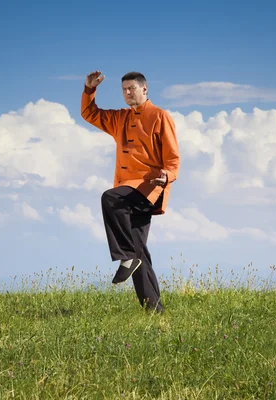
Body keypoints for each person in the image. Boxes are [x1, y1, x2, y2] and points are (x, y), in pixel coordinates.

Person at [81, 70, 180, 313]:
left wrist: (168, 175)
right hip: (127, 190)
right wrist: (89, 89)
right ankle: (154, 310)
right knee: (139, 251)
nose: (127, 93)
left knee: (109, 197)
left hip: (149, 187)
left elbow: (173, 157)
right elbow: (89, 113)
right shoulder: (119, 118)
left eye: (131, 89)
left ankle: (125, 256)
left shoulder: (160, 116)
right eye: (124, 90)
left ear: (145, 90)